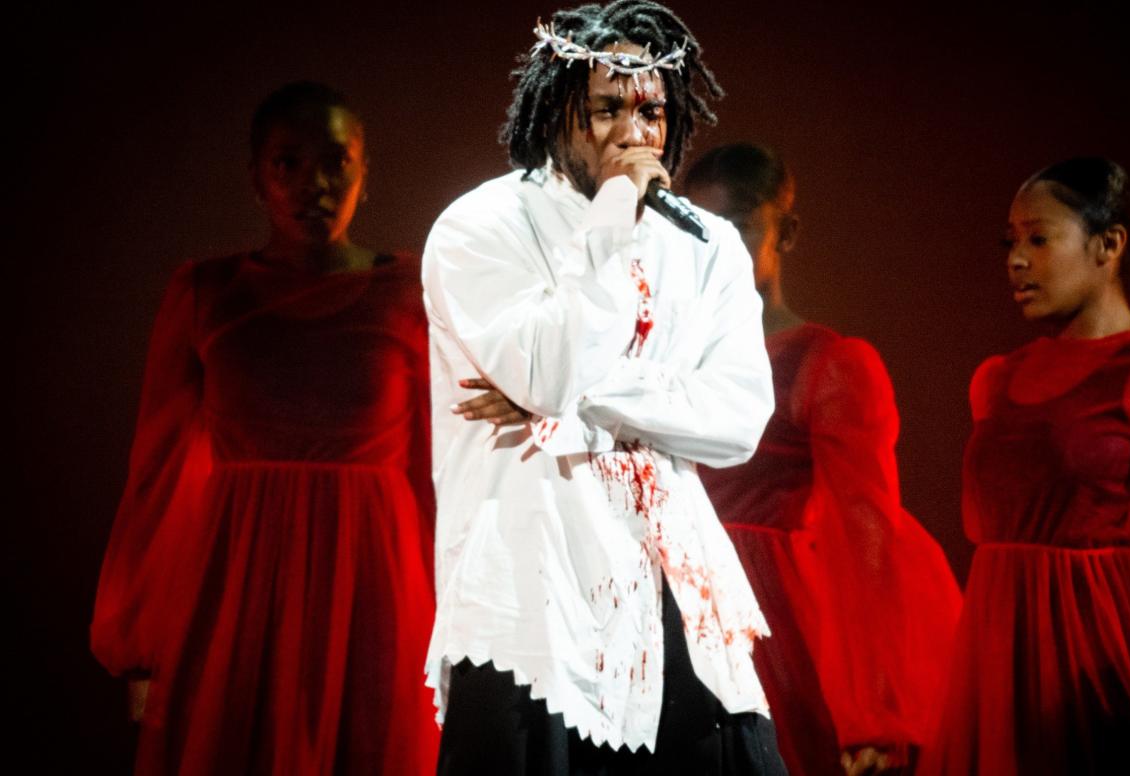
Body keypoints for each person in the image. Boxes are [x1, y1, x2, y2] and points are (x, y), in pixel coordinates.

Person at [420, 2, 786, 774]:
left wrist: (580, 402)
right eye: (609, 108)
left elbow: (736, 421)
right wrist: (613, 215)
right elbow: (552, 367)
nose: (636, 131)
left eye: (651, 109)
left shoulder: (708, 245)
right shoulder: (480, 226)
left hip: (676, 592)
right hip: (534, 598)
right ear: (559, 112)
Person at [91, 81, 440, 774]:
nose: (314, 183)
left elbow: (443, 467)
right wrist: (137, 639)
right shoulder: (205, 292)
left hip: (377, 578)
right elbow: (156, 473)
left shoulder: (413, 292)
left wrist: (464, 614)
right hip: (237, 578)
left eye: (336, 161)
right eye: (288, 163)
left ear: (364, 173)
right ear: (257, 178)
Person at [917, 157, 1130, 775]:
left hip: (1103, 650)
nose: (1016, 259)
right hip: (998, 653)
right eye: (1010, 241)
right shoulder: (999, 380)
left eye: (1039, 239)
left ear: (1109, 244)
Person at [685, 143, 963, 776]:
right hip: (678, 617)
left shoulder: (826, 364)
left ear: (787, 231)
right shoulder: (669, 360)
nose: (716, 250)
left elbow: (866, 538)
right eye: (699, 230)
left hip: (775, 629)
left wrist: (872, 710)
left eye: (738, 227)